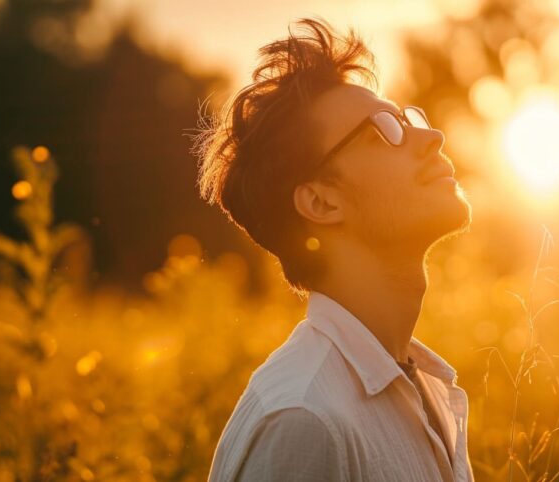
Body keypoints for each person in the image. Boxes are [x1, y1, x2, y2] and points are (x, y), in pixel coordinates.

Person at [192, 15, 474, 482]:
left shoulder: (422, 384)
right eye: (386, 129)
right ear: (322, 201)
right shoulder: (303, 420)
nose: (432, 137)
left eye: (409, 118)